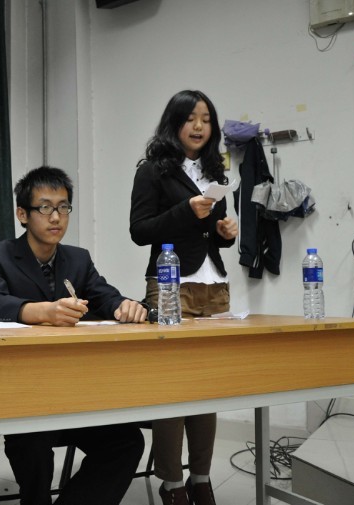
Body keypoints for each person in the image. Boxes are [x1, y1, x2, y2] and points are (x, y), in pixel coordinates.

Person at [0, 166, 146, 505]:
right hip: (21, 395)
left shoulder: (77, 259)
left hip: (74, 391)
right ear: (22, 214)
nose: (56, 217)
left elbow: (104, 296)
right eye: (45, 207)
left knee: (127, 442)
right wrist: (43, 312)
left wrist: (124, 306)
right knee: (33, 447)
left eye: (64, 207)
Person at [129, 90, 239, 505]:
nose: (199, 126)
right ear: (174, 123)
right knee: (173, 387)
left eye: (206, 119)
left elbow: (209, 233)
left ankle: (202, 478)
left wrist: (225, 234)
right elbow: (140, 230)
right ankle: (172, 483)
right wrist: (185, 211)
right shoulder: (152, 171)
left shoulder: (216, 171)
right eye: (191, 118)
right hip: (170, 286)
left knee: (207, 388)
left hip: (215, 287)